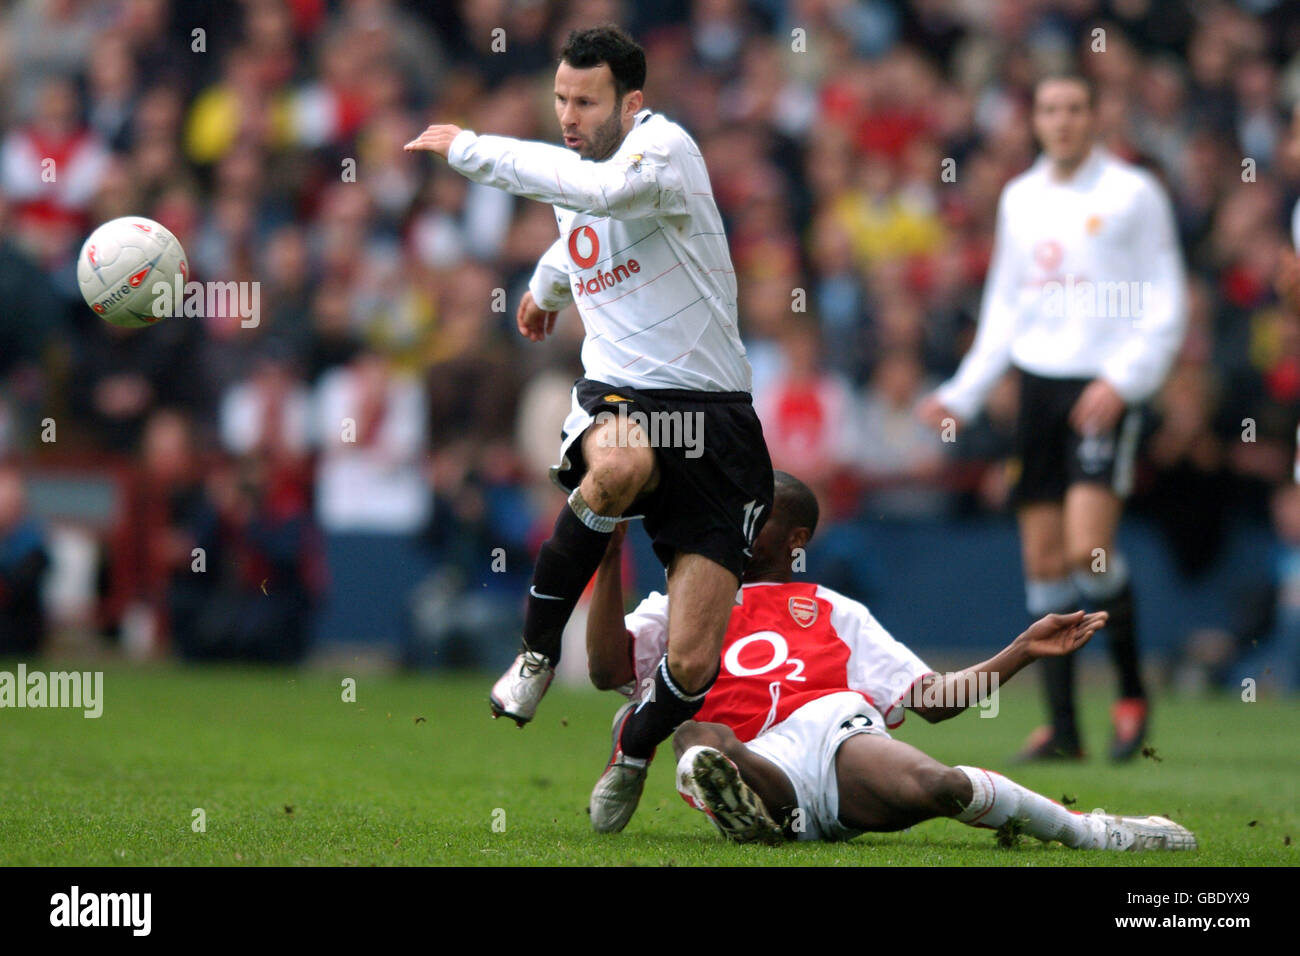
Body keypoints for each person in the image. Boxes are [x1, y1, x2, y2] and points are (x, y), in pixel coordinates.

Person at [405, 25, 773, 831]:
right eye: (561, 99)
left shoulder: (665, 153)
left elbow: (600, 198)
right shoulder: (582, 170)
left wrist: (470, 148)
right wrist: (545, 286)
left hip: (716, 420)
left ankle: (635, 749)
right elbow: (579, 228)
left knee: (692, 660)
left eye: (585, 101)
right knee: (617, 468)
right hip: (620, 397)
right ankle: (535, 655)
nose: (568, 115)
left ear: (631, 104)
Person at [586, 472, 1197, 851]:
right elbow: (608, 669)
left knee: (942, 784)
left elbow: (932, 701)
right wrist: (610, 557)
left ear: (796, 539)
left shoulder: (837, 612)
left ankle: (1091, 831)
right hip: (746, 749)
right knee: (699, 740)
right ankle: (753, 805)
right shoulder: (687, 599)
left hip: (834, 739)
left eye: (759, 513)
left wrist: (1021, 651)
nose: (740, 522)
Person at [917, 74, 1188, 761]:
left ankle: (1131, 694)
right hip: (1037, 392)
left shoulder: (1133, 193)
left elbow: (1166, 300)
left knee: (1087, 552)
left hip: (1100, 390)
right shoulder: (1021, 197)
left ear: (1096, 116)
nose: (1061, 121)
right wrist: (964, 392)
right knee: (1042, 562)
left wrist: (1125, 380)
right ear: (1034, 120)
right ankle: (1064, 731)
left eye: (1074, 108)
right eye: (1048, 109)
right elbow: (1005, 305)